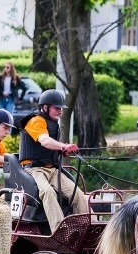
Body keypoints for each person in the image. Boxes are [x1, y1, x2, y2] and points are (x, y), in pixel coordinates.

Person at [19, 89, 88, 231]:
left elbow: (49, 147)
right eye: (57, 108)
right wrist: (63, 146)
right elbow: (44, 141)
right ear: (45, 107)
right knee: (47, 192)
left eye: (61, 108)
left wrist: (62, 151)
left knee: (77, 194)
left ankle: (89, 227)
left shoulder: (53, 123)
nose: (60, 111)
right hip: (34, 170)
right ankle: (60, 230)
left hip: (52, 170)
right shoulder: (35, 121)